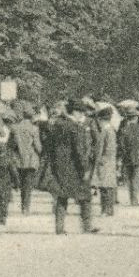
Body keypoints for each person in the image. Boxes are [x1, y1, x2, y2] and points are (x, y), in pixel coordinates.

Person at [42, 100, 98, 235]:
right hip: (74, 167)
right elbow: (79, 151)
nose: (82, 115)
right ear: (76, 112)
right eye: (81, 112)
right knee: (85, 196)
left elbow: (48, 146)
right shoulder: (76, 128)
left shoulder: (56, 126)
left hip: (58, 166)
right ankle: (87, 226)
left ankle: (59, 228)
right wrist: (85, 168)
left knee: (61, 196)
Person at [9, 109, 43, 216]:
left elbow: (12, 145)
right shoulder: (34, 128)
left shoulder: (14, 128)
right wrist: (42, 153)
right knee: (28, 185)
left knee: (20, 182)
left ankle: (20, 204)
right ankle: (25, 208)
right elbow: (37, 146)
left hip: (18, 159)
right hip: (30, 160)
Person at [117, 103, 139, 207]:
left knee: (130, 179)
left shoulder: (123, 130)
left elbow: (121, 145)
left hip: (128, 158)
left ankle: (132, 199)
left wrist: (124, 155)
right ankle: (134, 201)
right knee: (136, 179)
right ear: (136, 117)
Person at [91, 104, 120, 218]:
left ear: (101, 119)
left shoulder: (107, 131)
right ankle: (109, 210)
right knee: (107, 186)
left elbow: (108, 148)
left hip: (105, 162)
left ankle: (106, 210)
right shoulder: (109, 130)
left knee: (105, 187)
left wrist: (100, 159)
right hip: (108, 162)